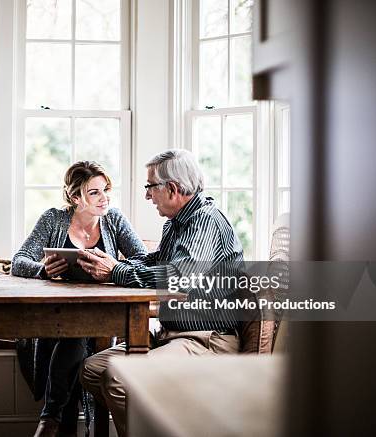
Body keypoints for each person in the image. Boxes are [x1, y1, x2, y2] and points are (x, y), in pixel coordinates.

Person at [77, 149, 245, 437]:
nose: (147, 196)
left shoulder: (205, 220)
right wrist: (113, 264)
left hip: (207, 340)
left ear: (173, 188)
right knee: (92, 369)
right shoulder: (176, 224)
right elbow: (155, 261)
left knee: (119, 379)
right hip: (171, 335)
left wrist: (116, 272)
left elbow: (179, 277)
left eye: (150, 187)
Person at [12, 161, 147, 437]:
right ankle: (59, 423)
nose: (104, 198)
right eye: (94, 192)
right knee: (74, 337)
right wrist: (43, 270)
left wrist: (113, 268)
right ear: (75, 197)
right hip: (59, 315)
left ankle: (50, 420)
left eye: (106, 190)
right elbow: (18, 261)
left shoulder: (114, 220)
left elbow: (143, 262)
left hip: (101, 315)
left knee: (76, 336)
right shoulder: (53, 219)